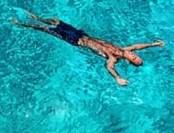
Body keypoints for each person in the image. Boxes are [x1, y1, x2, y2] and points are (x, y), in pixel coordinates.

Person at [10, 10, 165, 86]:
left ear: (130, 61)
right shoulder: (125, 48)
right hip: (81, 34)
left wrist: (117, 78)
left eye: (135, 60)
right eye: (137, 57)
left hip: (75, 41)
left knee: (45, 29)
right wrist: (153, 44)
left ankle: (21, 23)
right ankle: (38, 17)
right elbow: (139, 46)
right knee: (56, 21)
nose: (135, 56)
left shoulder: (114, 58)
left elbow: (109, 67)